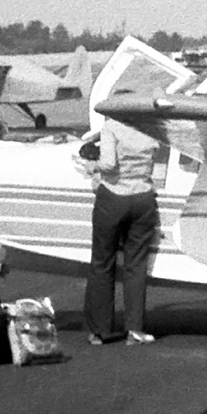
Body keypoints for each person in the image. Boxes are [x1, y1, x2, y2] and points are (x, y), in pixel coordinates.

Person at [81, 115, 161, 346]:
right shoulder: (149, 127)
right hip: (144, 197)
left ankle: (100, 330)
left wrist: (91, 165)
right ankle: (135, 329)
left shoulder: (111, 127)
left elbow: (108, 164)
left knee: (102, 262)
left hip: (113, 198)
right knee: (136, 265)